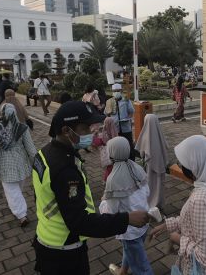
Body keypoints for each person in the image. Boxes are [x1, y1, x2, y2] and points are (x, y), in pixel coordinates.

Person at [32, 101, 149, 274]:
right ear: (66, 131)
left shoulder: (44, 153)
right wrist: (127, 219)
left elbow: (41, 196)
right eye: (85, 128)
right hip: (65, 249)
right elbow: (81, 222)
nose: (91, 132)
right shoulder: (65, 169)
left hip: (46, 236)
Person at [150, 135, 206, 274]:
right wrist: (167, 225)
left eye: (184, 163)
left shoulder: (201, 199)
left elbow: (205, 257)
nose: (182, 166)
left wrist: (177, 239)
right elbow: (200, 221)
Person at [99, 137, 153, 275]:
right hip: (144, 221)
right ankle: (123, 271)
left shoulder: (113, 179)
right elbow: (147, 192)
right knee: (131, 250)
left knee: (141, 267)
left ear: (111, 154)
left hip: (129, 230)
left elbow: (111, 211)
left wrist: (103, 201)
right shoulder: (137, 168)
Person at [0, 103, 36, 226]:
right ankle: (17, 208)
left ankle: (22, 215)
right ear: (14, 112)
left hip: (5, 164)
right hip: (22, 163)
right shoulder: (22, 127)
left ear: (1, 113)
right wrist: (36, 162)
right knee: (17, 188)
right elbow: (31, 149)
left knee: (12, 190)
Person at [135, 114, 170, 209]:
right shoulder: (159, 132)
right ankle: (159, 202)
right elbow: (165, 146)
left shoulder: (145, 133)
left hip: (150, 166)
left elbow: (141, 153)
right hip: (160, 164)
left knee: (150, 183)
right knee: (159, 183)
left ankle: (150, 201)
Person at [105, 84, 135, 157]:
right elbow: (106, 114)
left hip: (126, 128)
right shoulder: (109, 102)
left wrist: (128, 118)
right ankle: (120, 159)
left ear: (121, 91)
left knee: (129, 145)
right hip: (115, 129)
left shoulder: (126, 100)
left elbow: (131, 111)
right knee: (117, 146)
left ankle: (131, 161)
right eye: (115, 91)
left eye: (118, 91)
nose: (116, 92)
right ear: (112, 92)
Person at [98, 116, 119, 182]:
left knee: (109, 168)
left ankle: (106, 180)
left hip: (106, 155)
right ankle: (109, 180)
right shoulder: (114, 132)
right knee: (112, 168)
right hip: (113, 153)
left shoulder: (103, 132)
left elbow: (99, 142)